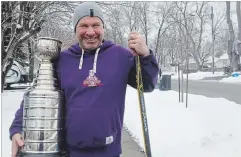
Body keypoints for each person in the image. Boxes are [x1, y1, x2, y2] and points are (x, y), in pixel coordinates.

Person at [9, 2, 159, 157]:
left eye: (96, 25)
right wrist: (17, 128)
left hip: (108, 152)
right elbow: (37, 96)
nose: (90, 32)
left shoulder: (121, 56)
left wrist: (146, 55)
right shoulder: (62, 60)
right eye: (84, 25)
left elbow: (147, 85)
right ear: (75, 28)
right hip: (68, 152)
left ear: (103, 28)